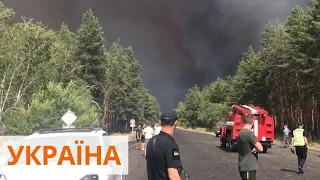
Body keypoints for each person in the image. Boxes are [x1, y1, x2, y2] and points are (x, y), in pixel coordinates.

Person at [146, 110, 182, 180]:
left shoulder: (151, 141)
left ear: (161, 122)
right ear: (175, 123)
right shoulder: (172, 146)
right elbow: (173, 175)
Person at [236, 114, 263, 180]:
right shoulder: (248, 134)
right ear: (252, 122)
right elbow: (261, 148)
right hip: (248, 167)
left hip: (243, 165)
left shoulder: (240, 133)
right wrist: (256, 148)